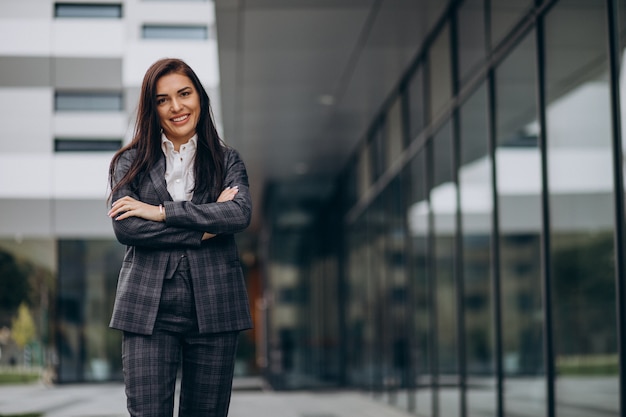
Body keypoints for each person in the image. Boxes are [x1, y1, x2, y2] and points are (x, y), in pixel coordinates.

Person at [107, 58, 252, 417]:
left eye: (184, 94)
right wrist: (205, 229)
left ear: (199, 97)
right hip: (147, 307)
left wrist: (161, 212)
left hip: (216, 303)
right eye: (162, 99)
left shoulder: (227, 160)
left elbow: (238, 214)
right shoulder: (130, 162)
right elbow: (126, 226)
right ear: (151, 108)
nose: (176, 107)